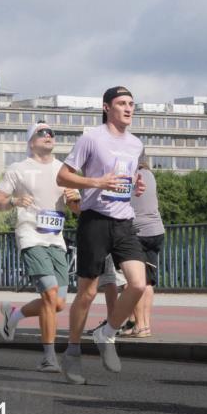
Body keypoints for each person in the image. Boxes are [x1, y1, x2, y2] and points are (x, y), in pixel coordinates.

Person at [55, 86, 146, 385]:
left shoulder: (135, 144)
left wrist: (134, 186)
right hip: (94, 220)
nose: (128, 108)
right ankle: (72, 351)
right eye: (122, 103)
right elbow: (63, 176)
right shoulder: (91, 138)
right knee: (88, 293)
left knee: (138, 284)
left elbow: (126, 179)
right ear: (107, 107)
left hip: (123, 221)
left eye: (131, 104)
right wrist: (96, 182)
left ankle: (106, 333)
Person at [0, 121, 81, 371]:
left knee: (58, 303)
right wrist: (13, 201)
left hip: (56, 239)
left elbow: (76, 209)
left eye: (52, 132)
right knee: (51, 295)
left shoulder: (64, 170)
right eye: (42, 133)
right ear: (31, 141)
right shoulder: (18, 169)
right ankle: (49, 357)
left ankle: (15, 315)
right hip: (30, 236)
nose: (49, 135)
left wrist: (75, 200)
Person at [126, 161, 165, 338]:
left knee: (133, 282)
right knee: (147, 282)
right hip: (156, 231)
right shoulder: (150, 174)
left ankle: (139, 326)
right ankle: (146, 325)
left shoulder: (129, 176)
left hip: (137, 232)